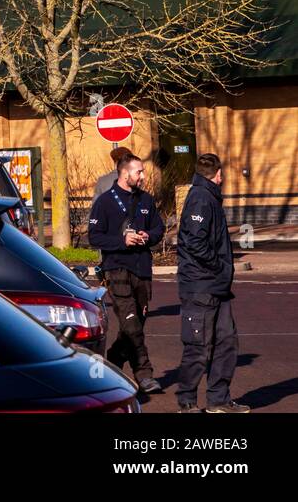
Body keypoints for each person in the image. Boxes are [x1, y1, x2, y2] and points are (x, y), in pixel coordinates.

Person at [87, 152, 165, 395]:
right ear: (125, 173)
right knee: (131, 324)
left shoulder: (146, 201)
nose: (143, 176)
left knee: (135, 324)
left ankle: (112, 362)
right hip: (117, 269)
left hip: (142, 269)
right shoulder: (105, 202)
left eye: (142, 171)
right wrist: (122, 240)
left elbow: (158, 228)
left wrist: (148, 236)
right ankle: (144, 375)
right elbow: (94, 237)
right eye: (139, 171)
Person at [176, 153, 248, 413]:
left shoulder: (209, 198)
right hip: (201, 286)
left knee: (226, 342)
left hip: (216, 286)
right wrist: (218, 265)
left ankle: (219, 400)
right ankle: (187, 401)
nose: (224, 178)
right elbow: (194, 242)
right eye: (223, 174)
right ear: (218, 174)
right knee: (198, 346)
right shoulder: (201, 199)